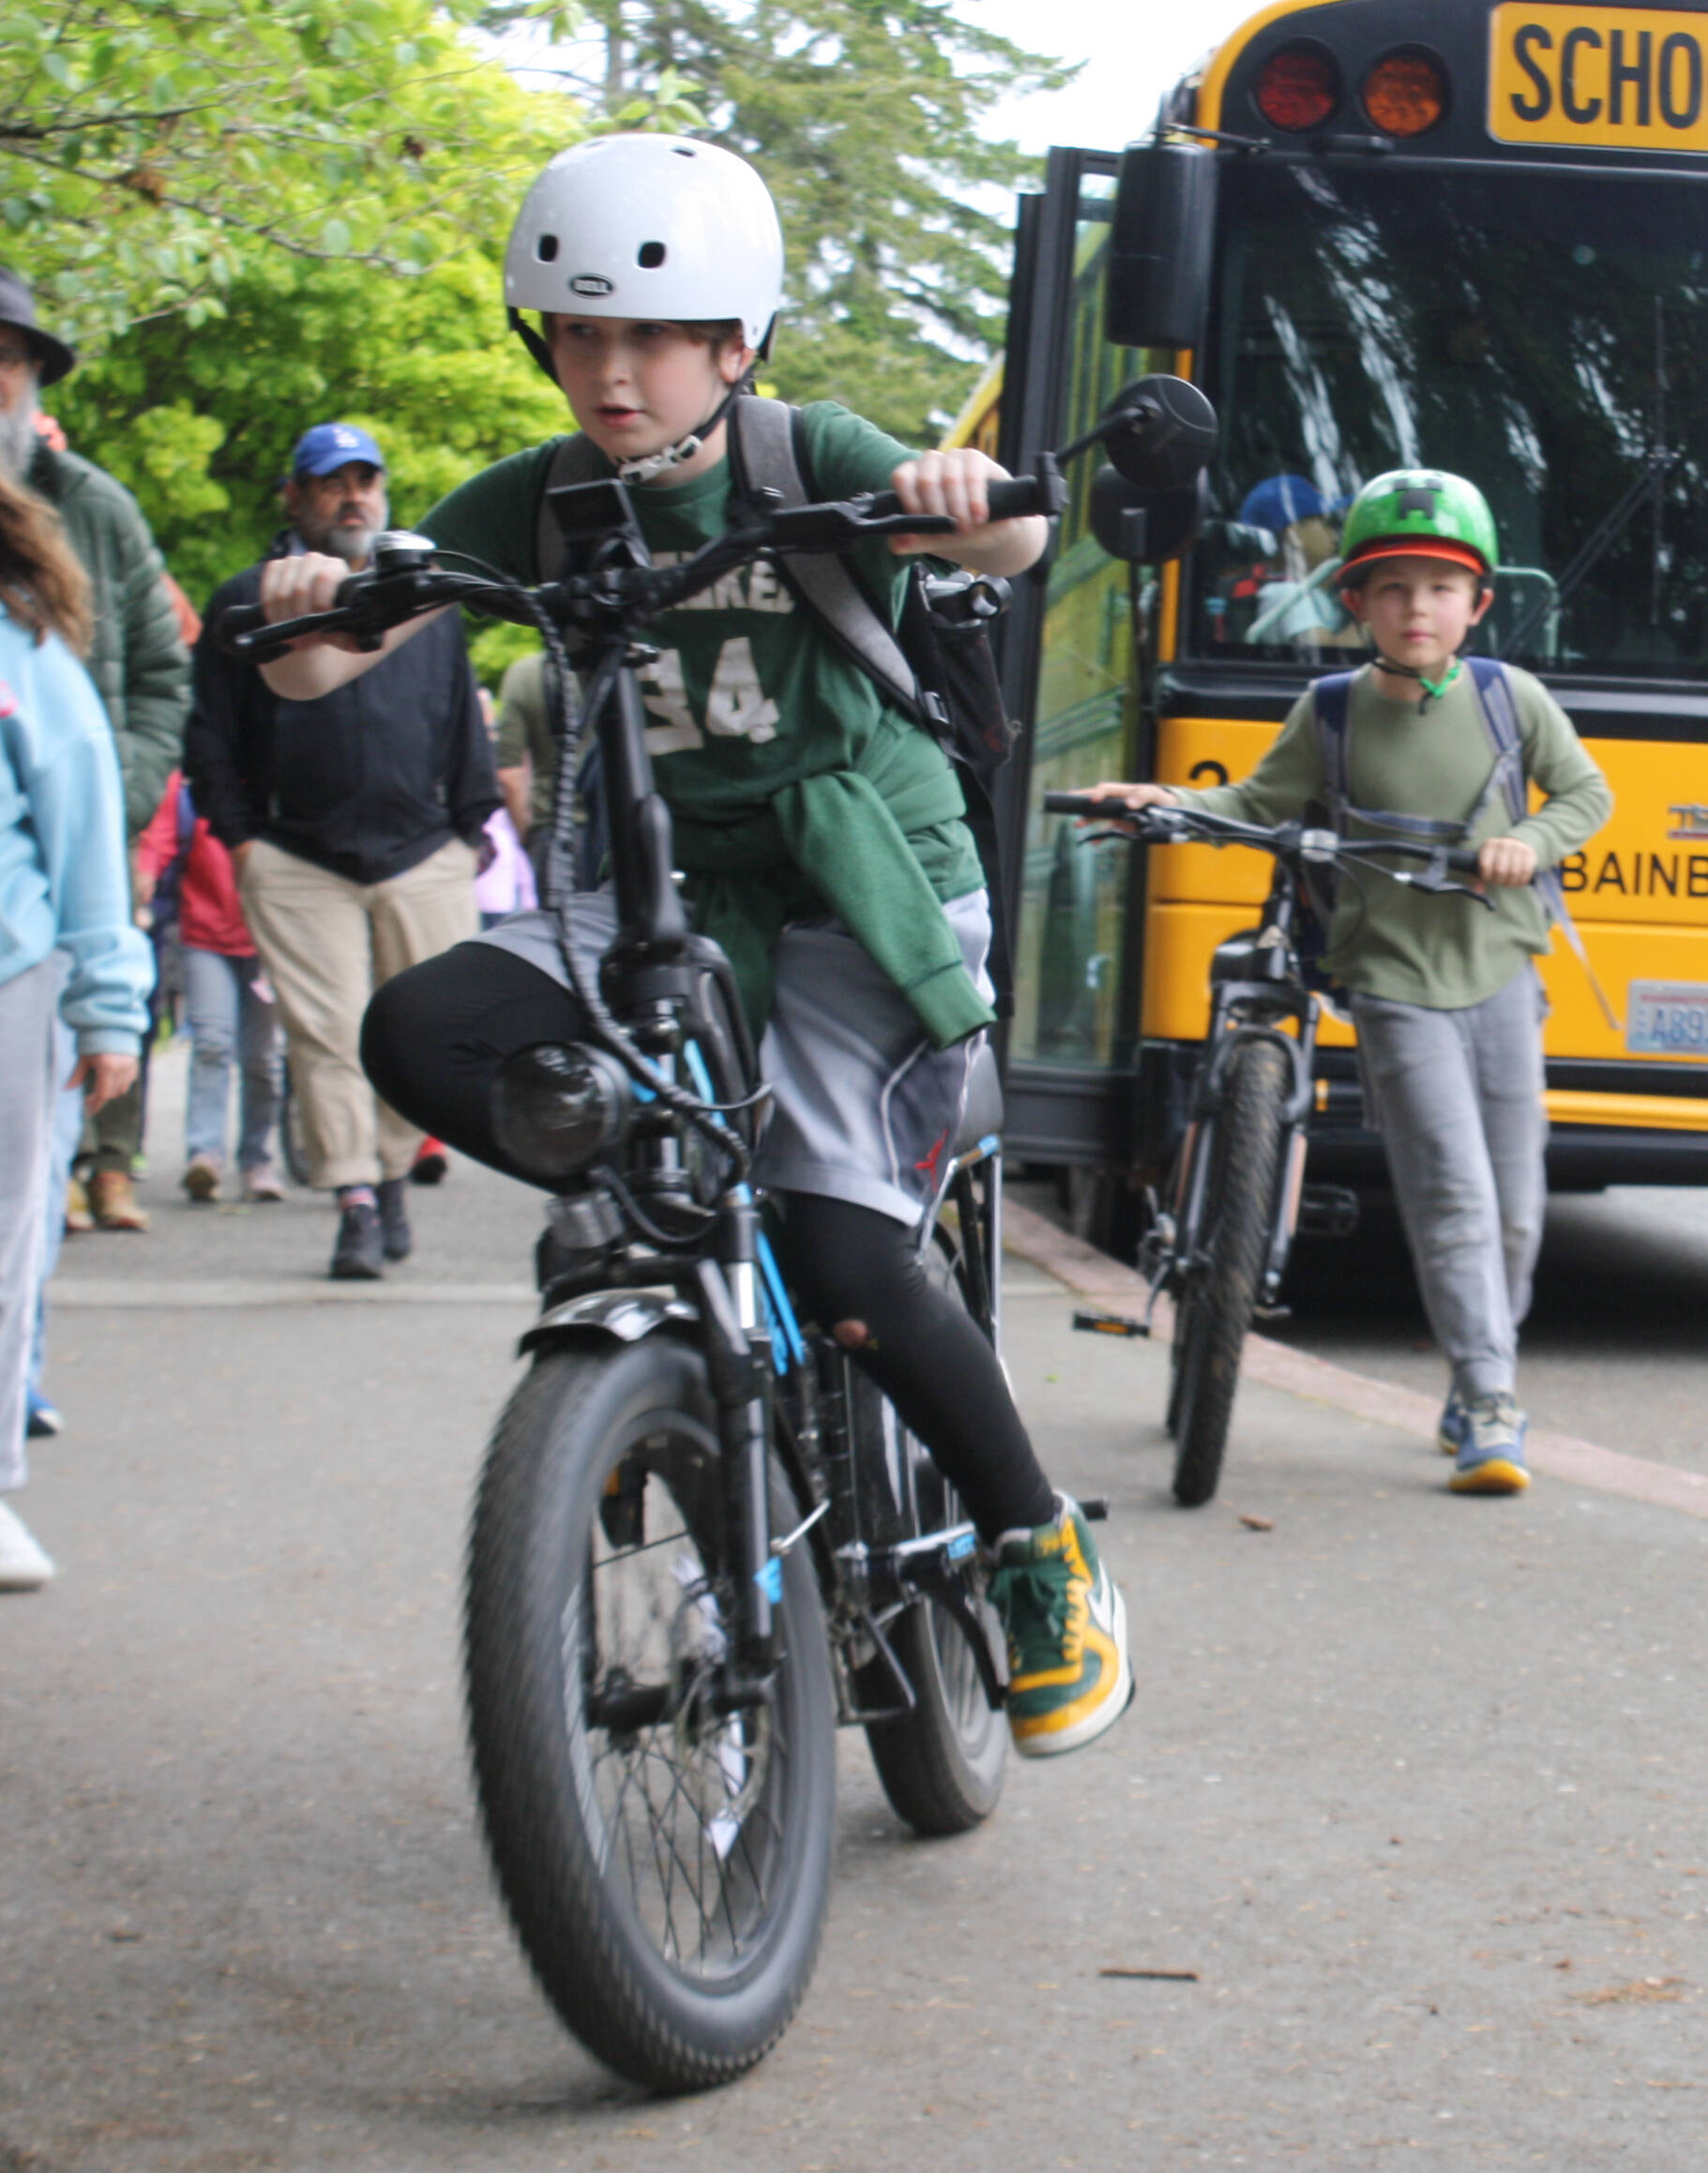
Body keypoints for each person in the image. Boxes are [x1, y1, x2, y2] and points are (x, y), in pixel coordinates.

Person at [252, 134, 1132, 1758]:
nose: (612, 369)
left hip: (858, 877)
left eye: (651, 336)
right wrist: (320, 598)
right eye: (579, 334)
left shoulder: (808, 459)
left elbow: (1008, 544)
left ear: (735, 344)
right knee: (413, 1031)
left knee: (843, 1243)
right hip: (649, 896)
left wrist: (955, 503)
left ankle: (1038, 1547)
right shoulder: (545, 499)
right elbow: (328, 661)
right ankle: (681, 1232)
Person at [1093, 469, 1613, 1496]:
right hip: (1392, 983)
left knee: (1517, 1204)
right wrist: (1158, 800)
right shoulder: (1329, 712)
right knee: (1453, 1193)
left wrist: (1525, 839)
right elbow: (1250, 802)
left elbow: (1588, 793)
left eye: (1439, 587)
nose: (1417, 608)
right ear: (1355, 604)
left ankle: (1478, 1378)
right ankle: (1491, 1397)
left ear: (1479, 604)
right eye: (1392, 588)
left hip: (1504, 974)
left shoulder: (1514, 701)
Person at [185, 423, 499, 1279]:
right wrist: (241, 838)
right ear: (296, 497)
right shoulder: (243, 598)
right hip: (295, 855)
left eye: (367, 480)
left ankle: (393, 1170)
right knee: (325, 1035)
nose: (354, 496)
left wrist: (471, 826)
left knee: (421, 1035)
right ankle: (354, 1196)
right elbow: (209, 736)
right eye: (332, 482)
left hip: (424, 849)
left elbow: (459, 719)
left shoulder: (427, 601)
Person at [0, 265, 190, 1234]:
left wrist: (124, 784)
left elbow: (164, 668)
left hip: (86, 815)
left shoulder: (94, 508)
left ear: (31, 373)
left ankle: (109, 1164)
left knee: (102, 1000)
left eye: (3, 355)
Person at [0, 468, 152, 1590]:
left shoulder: (23, 649)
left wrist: (110, 1003)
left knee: (5, 1248)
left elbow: (84, 826)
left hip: (13, 978)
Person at [135, 766, 285, 1203]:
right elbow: (161, 835)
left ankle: (258, 1159)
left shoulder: (281, 776)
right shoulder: (192, 784)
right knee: (212, 1043)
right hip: (205, 935)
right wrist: (145, 872)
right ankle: (205, 1156)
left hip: (270, 939)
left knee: (262, 1059)